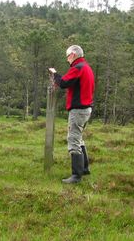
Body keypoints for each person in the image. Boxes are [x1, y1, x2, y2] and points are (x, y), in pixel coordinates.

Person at [48, 45, 95, 184]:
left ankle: (76, 176)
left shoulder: (78, 67)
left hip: (79, 110)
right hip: (86, 108)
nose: (67, 59)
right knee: (79, 138)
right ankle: (84, 169)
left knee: (73, 139)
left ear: (73, 54)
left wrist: (54, 73)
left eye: (68, 56)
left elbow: (63, 83)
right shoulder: (86, 67)